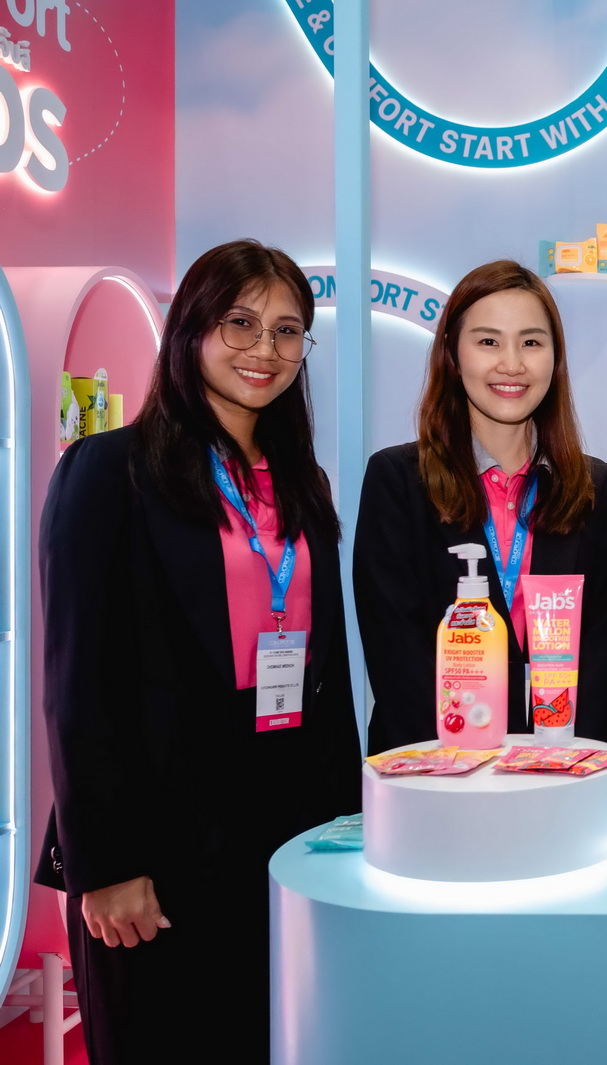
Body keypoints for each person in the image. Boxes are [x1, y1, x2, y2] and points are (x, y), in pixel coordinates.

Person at [35, 240, 359, 1063]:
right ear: (191, 329)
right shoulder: (109, 469)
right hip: (159, 840)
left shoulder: (302, 483)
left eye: (287, 330)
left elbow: (324, 673)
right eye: (240, 323)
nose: (265, 348)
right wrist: (105, 864)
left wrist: (347, 826)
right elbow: (79, 682)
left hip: (286, 824)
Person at [356, 260, 607, 754]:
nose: (512, 364)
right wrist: (459, 763)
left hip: (561, 762)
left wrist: (567, 760)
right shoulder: (397, 480)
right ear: (453, 354)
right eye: (488, 341)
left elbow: (604, 651)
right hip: (436, 764)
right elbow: (396, 656)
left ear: (555, 359)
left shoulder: (591, 486)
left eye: (531, 342)